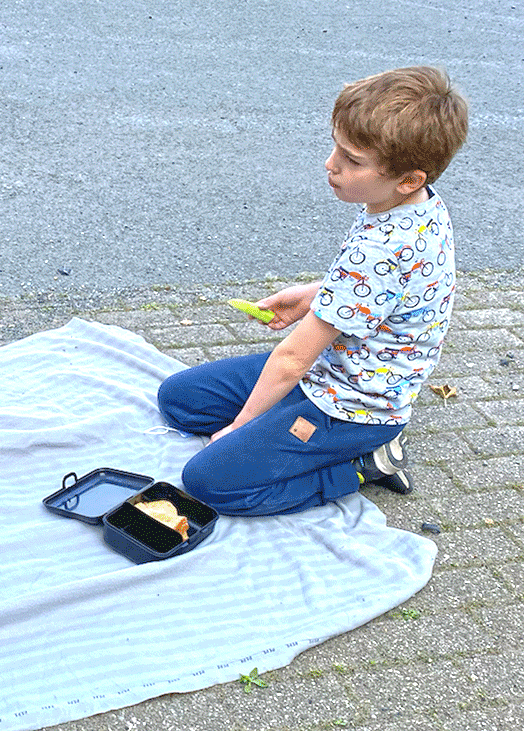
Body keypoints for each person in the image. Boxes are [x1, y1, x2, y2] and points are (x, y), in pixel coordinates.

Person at [157, 66, 469, 517]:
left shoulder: (382, 247)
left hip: (354, 408)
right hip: (328, 372)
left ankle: (365, 464)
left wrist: (240, 428)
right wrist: (316, 294)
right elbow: (391, 287)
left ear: (409, 179)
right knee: (180, 399)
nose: (331, 164)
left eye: (353, 160)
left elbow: (291, 358)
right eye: (336, 147)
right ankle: (284, 440)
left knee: (208, 482)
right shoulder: (417, 205)